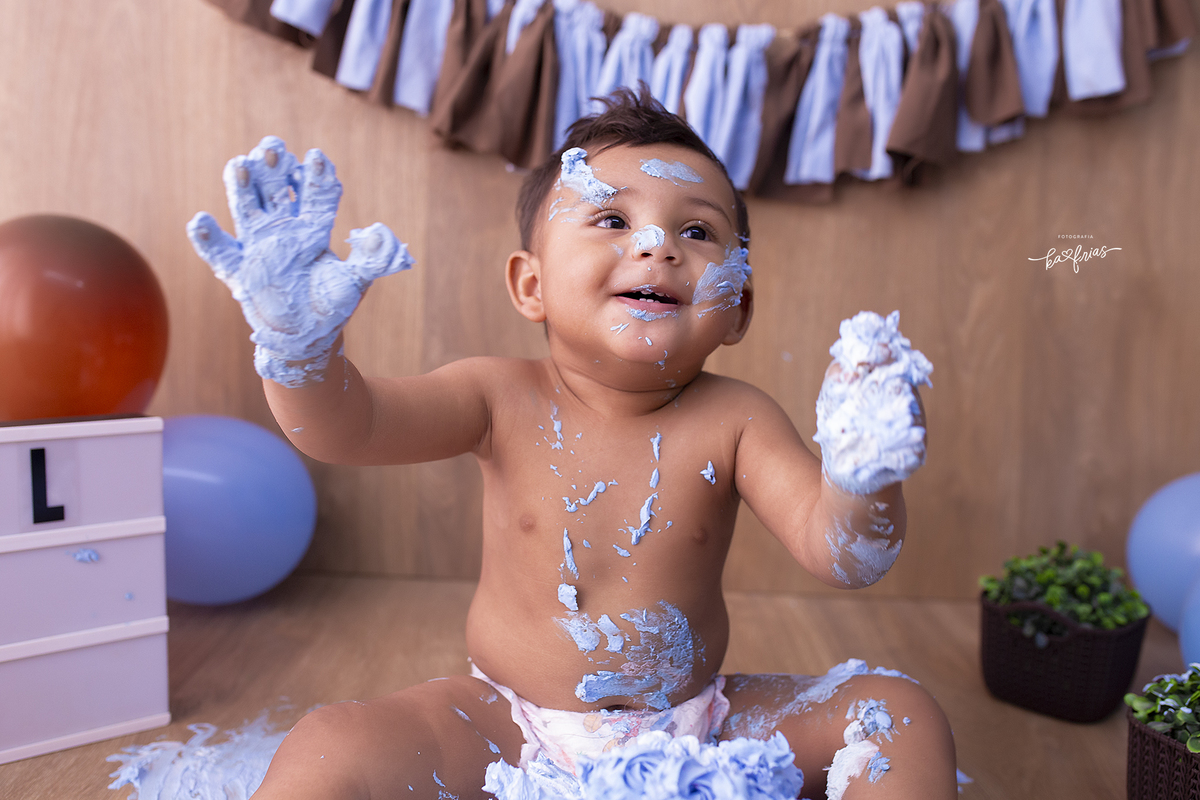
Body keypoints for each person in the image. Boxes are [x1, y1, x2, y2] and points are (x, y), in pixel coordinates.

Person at [187, 87, 957, 800]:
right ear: (532, 285)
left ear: (738, 308)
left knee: (898, 713)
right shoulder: (497, 396)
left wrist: (864, 475)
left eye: (697, 230)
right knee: (328, 746)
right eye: (612, 220)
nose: (657, 244)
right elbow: (345, 428)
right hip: (509, 728)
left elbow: (844, 555)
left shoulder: (738, 418)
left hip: (702, 723)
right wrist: (298, 348)